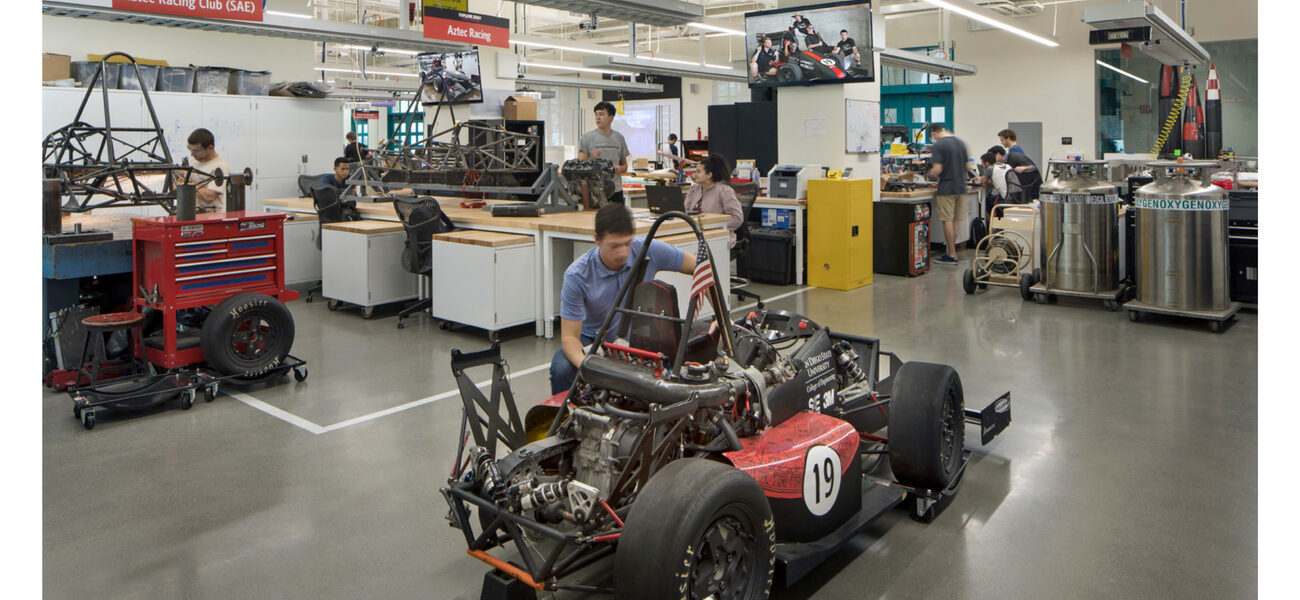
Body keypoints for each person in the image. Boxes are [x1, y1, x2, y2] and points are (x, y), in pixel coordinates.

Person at [550, 204, 698, 394]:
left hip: (640, 338)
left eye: (627, 243)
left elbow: (701, 267)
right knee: (562, 367)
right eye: (614, 246)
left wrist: (719, 318)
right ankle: (568, 418)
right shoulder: (577, 275)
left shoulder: (647, 249)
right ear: (597, 240)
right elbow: (570, 338)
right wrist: (591, 368)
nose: (622, 252)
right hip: (595, 341)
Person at [927, 123, 969, 266]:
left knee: (947, 220)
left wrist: (929, 174)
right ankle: (955, 250)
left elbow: (937, 170)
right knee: (956, 220)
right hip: (961, 187)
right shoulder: (960, 143)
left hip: (946, 188)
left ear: (935, 132)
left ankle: (951, 254)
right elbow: (968, 166)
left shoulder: (939, 145)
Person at [684, 154, 745, 248]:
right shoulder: (694, 189)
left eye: (698, 172)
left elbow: (737, 218)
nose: (694, 174)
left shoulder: (724, 191)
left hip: (717, 237)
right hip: (694, 234)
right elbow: (684, 211)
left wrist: (713, 224)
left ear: (709, 174)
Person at [578, 101, 630, 205]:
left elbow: (624, 165)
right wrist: (592, 158)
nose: (598, 117)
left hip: (615, 190)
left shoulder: (619, 138)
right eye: (596, 114)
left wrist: (620, 169)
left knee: (616, 220)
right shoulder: (586, 138)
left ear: (611, 117)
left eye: (601, 114)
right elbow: (579, 168)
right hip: (594, 192)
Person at [179, 128, 230, 213]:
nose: (192, 154)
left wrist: (187, 185)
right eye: (190, 149)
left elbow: (210, 196)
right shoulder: (194, 162)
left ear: (210, 147)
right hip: (189, 212)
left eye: (196, 151)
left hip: (209, 215)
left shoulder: (221, 167)